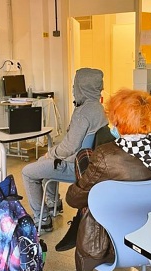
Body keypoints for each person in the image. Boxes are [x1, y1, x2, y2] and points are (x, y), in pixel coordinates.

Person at [65, 89, 151, 271]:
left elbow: (74, 199)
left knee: (83, 159)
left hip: (112, 242)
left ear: (118, 120)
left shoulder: (106, 154)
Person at [21, 68, 108, 232]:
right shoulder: (97, 107)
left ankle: (43, 219)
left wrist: (50, 153)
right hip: (86, 162)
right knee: (44, 163)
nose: (73, 88)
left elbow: (69, 147)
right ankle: (54, 202)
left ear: (82, 87)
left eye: (75, 84)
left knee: (28, 172)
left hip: (74, 166)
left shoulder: (84, 113)